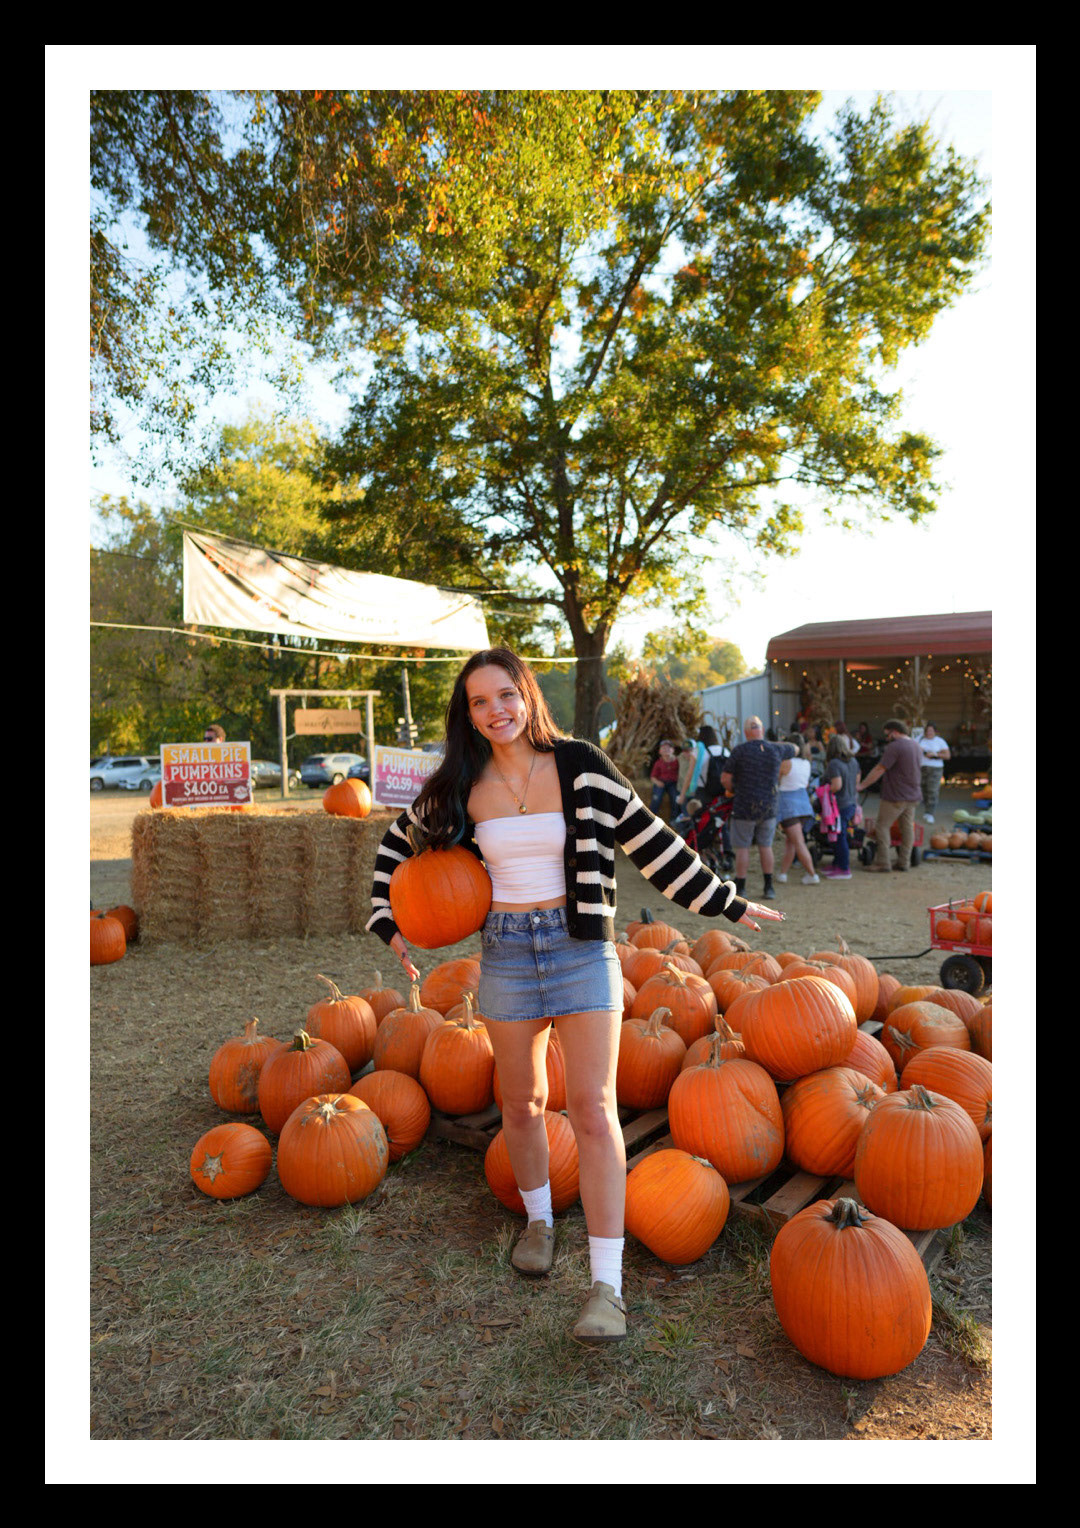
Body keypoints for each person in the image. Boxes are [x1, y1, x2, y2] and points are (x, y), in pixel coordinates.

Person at [366, 647, 784, 1345]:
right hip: (506, 954)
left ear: (527, 694)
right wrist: (388, 921)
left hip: (580, 948)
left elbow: (650, 841)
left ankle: (606, 1288)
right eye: (479, 702)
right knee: (522, 1104)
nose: (496, 710)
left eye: (505, 694)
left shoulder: (580, 765)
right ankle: (538, 1221)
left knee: (592, 1109)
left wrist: (725, 901)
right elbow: (392, 849)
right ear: (467, 715)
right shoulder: (460, 785)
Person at [720, 716, 798, 900]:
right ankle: (768, 887)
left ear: (746, 732)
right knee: (766, 846)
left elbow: (725, 779)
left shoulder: (739, 751)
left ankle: (741, 886)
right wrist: (770, 743)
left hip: (744, 806)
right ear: (762, 730)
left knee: (743, 848)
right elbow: (795, 748)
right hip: (769, 806)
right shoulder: (775, 749)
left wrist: (733, 789)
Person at [856, 718, 923, 872]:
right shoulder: (916, 745)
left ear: (895, 732)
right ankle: (904, 862)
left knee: (882, 826)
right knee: (907, 828)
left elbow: (880, 769)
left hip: (896, 795)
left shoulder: (895, 746)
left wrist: (862, 785)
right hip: (913, 794)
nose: (887, 739)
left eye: (888, 735)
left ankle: (883, 862)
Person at [774, 732, 819, 886]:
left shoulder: (786, 763)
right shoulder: (807, 763)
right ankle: (783, 873)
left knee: (798, 842)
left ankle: (812, 874)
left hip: (788, 806)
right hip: (804, 805)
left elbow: (776, 780)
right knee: (791, 842)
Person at [822, 735, 860, 880]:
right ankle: (836, 864)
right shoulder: (853, 761)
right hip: (851, 802)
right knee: (840, 834)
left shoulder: (834, 763)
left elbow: (837, 785)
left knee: (838, 836)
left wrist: (825, 790)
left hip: (839, 805)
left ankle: (844, 868)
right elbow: (857, 781)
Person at [916, 722, 950, 823]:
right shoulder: (920, 740)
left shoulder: (940, 741)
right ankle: (926, 807)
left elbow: (947, 756)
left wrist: (935, 755)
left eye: (931, 731)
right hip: (922, 767)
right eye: (927, 731)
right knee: (922, 789)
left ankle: (929, 812)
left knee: (932, 790)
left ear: (935, 732)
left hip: (935, 768)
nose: (929, 733)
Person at [648, 739, 680, 820]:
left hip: (673, 783)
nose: (666, 750)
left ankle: (674, 820)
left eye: (669, 748)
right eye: (664, 748)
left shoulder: (677, 761)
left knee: (675, 798)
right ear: (660, 751)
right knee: (656, 798)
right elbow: (652, 777)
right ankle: (650, 818)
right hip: (661, 782)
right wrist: (657, 782)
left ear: (673, 750)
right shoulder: (658, 763)